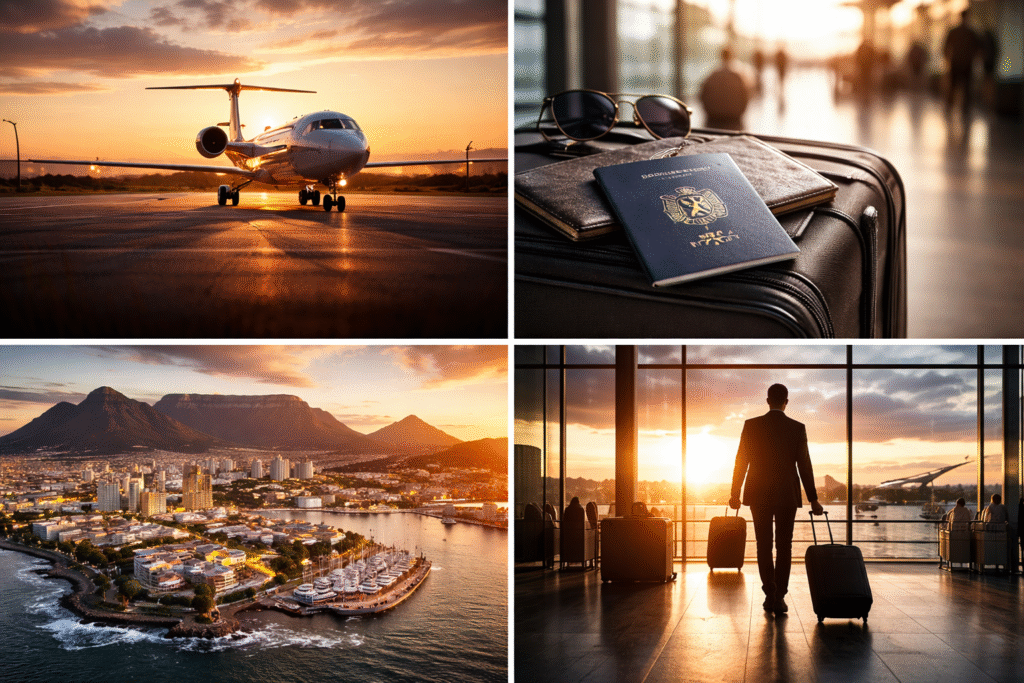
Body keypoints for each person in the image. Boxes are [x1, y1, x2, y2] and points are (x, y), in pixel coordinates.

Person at [730, 384, 823, 616]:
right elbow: (805, 465)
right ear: (786, 402)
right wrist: (813, 498)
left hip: (758, 494)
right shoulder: (797, 428)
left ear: (767, 400)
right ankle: (779, 595)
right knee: (784, 546)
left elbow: (740, 462)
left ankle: (769, 593)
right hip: (786, 495)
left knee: (763, 545)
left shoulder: (751, 426)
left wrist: (734, 494)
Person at [699, 46, 751, 130]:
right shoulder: (739, 76)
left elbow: (703, 95)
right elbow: (745, 97)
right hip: (734, 118)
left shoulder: (712, 75)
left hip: (714, 117)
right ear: (732, 56)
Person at [943, 9, 981, 111]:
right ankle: (963, 108)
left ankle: (951, 107)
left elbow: (946, 48)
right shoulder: (971, 32)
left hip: (957, 62)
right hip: (965, 63)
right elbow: (978, 48)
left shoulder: (955, 31)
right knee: (964, 88)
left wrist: (948, 59)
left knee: (955, 87)